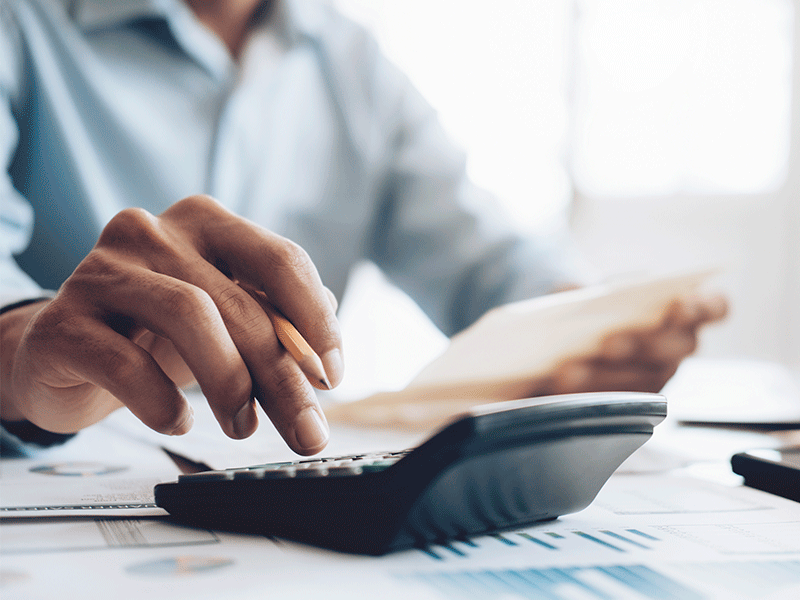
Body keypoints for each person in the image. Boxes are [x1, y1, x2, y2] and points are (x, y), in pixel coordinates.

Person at [0, 0, 726, 456]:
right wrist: (24, 351)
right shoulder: (20, 24)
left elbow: (488, 264)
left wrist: (599, 324)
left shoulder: (354, 63)